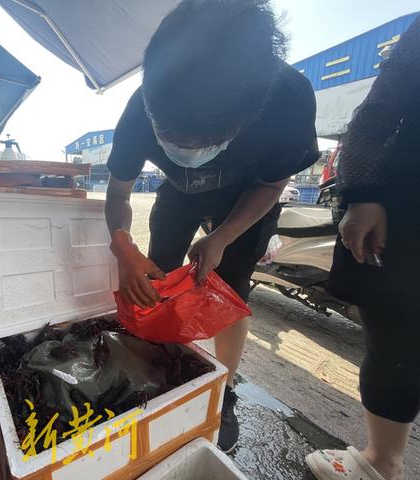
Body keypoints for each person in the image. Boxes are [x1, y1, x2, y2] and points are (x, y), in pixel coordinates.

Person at [104, 0, 319, 452]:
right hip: (177, 196)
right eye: (169, 136)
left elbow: (272, 182)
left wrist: (222, 237)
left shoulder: (288, 98)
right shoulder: (143, 105)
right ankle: (159, 362)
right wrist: (123, 248)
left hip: (246, 201)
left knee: (230, 290)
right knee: (158, 278)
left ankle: (225, 387)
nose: (183, 151)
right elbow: (119, 194)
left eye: (198, 144)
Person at [306, 15, 420, 480]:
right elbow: (377, 113)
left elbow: (375, 114)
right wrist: (365, 194)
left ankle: (380, 462)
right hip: (405, 211)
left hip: (404, 208)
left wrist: (362, 195)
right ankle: (382, 461)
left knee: (397, 339)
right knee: (396, 338)